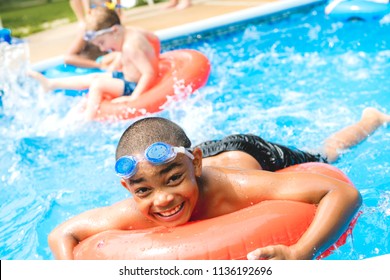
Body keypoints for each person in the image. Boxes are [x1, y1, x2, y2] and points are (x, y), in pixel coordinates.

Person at [48, 107, 390, 260]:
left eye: (173, 180)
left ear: (193, 165)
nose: (163, 200)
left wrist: (300, 253)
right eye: (143, 191)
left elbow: (343, 193)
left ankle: (370, 119)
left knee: (326, 155)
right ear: (129, 190)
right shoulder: (139, 205)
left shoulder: (237, 188)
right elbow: (62, 233)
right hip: (197, 152)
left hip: (244, 152)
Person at [30, 6, 161, 121]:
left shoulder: (130, 47)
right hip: (127, 78)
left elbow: (148, 73)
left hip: (132, 85)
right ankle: (51, 84)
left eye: (102, 43)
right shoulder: (132, 32)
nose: (102, 49)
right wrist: (153, 58)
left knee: (98, 85)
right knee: (95, 77)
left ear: (115, 31)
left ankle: (88, 121)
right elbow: (154, 39)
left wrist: (134, 98)